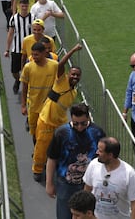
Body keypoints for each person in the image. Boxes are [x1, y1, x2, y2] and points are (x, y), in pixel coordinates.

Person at [32, 43, 83, 181]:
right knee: (42, 145)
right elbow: (60, 65)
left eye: (77, 75)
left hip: (60, 121)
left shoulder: (74, 92)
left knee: (62, 146)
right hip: (47, 119)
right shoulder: (61, 81)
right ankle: (37, 169)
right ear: (68, 74)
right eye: (73, 74)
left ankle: (56, 164)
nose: (75, 77)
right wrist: (72, 49)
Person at [46, 102, 105, 219]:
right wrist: (49, 183)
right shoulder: (61, 133)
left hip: (90, 183)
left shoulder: (97, 133)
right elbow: (52, 159)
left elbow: (103, 158)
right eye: (76, 124)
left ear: (88, 118)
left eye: (83, 123)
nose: (79, 127)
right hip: (66, 184)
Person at [83, 137, 135, 219]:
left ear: (110, 155)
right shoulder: (93, 165)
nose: (97, 152)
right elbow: (87, 190)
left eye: (100, 151)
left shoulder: (129, 173)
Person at [20, 42, 59, 141]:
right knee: (35, 132)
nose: (34, 57)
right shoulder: (28, 67)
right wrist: (23, 105)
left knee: (49, 131)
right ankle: (37, 151)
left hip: (49, 106)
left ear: (44, 53)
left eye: (36, 54)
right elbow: (24, 87)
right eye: (32, 54)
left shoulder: (54, 65)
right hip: (33, 105)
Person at [5, 0, 33, 93]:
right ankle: (18, 80)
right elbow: (10, 33)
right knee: (14, 71)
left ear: (28, 6)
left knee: (29, 70)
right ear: (19, 6)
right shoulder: (14, 18)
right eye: (22, 6)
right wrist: (7, 49)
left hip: (29, 50)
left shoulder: (33, 18)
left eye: (26, 6)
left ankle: (27, 88)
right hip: (17, 49)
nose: (24, 8)